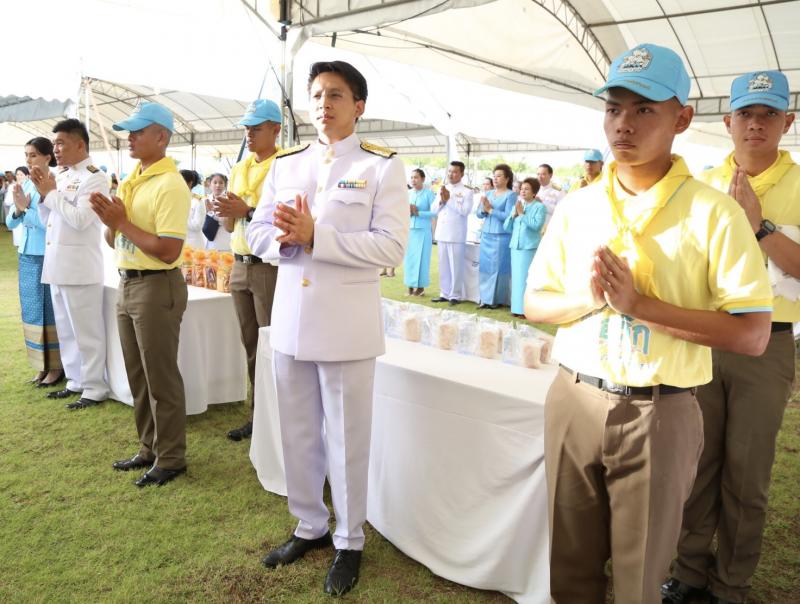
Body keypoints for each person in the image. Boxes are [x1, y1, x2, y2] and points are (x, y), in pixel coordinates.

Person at [524, 43, 773, 603]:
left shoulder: (714, 212)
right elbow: (535, 303)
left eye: (644, 109)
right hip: (573, 397)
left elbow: (753, 334)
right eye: (614, 108)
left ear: (682, 119)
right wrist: (591, 297)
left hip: (658, 412)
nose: (623, 124)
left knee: (639, 581)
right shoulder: (578, 205)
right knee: (569, 569)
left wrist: (639, 306)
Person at [246, 60, 407, 596]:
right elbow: (257, 231)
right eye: (316, 94)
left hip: (345, 327)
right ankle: (310, 524)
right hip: (292, 320)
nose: (323, 104)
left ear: (358, 106)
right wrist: (285, 240)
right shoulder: (287, 163)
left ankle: (350, 538)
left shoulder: (381, 167)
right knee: (297, 431)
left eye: (335, 94)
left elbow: (391, 247)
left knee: (346, 435)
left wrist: (317, 236)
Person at [663, 70, 800, 604]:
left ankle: (730, 583)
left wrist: (760, 225)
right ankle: (689, 571)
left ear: (788, 122)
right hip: (707, 338)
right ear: (727, 121)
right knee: (697, 463)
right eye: (746, 113)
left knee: (747, 474)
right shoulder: (701, 182)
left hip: (767, 345)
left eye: (769, 114)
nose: (756, 124)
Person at [89, 102, 191, 488]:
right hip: (128, 282)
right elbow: (114, 239)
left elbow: (168, 250)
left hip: (156, 285)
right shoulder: (135, 178)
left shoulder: (170, 184)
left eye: (138, 131)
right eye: (129, 132)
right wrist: (111, 223)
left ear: (161, 136)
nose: (129, 138)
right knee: (138, 374)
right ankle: (150, 447)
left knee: (160, 377)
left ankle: (172, 457)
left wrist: (121, 222)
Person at [214, 99, 282, 442]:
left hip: (268, 266)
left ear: (276, 130)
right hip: (239, 262)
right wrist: (227, 211)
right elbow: (229, 223)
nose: (249, 135)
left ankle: (276, 418)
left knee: (272, 344)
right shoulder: (239, 167)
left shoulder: (285, 165)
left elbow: (283, 216)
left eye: (256, 128)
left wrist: (247, 210)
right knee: (251, 344)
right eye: (246, 129)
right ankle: (258, 416)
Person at [30, 119, 110, 410]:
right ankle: (75, 380)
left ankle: (94, 388)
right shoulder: (62, 176)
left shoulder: (95, 178)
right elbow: (50, 221)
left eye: (61, 143)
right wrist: (43, 195)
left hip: (80, 268)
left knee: (87, 333)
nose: (56, 149)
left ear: (80, 144)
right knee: (66, 330)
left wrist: (51, 193)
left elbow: (80, 220)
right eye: (54, 144)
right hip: (58, 265)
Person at [5, 138, 62, 386]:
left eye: (34, 155)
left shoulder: (53, 184)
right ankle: (41, 364)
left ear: (48, 157)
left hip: (45, 255)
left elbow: (50, 224)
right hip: (26, 255)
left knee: (49, 311)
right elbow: (11, 222)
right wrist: (19, 210)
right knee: (32, 310)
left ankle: (57, 366)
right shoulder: (27, 183)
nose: (29, 160)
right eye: (26, 155)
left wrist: (25, 210)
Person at [431, 160, 473, 305]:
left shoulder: (467, 191)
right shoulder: (443, 188)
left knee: (456, 266)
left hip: (456, 233)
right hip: (442, 232)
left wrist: (448, 200)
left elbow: (465, 211)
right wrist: (441, 201)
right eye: (449, 171)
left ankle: (455, 295)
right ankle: (444, 293)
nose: (451, 174)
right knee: (443, 265)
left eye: (455, 172)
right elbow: (433, 210)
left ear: (461, 174)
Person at [476, 163, 516, 309]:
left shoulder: (511, 195)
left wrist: (491, 210)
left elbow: (508, 216)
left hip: (501, 235)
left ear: (507, 178)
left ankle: (497, 299)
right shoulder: (488, 194)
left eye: (499, 176)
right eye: (494, 176)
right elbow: (478, 213)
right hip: (486, 234)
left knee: (499, 268)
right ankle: (485, 298)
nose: (495, 179)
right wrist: (484, 209)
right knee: (485, 267)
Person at [503, 177, 545, 318]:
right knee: (516, 279)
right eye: (521, 189)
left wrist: (521, 215)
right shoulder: (518, 205)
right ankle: (516, 308)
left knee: (526, 279)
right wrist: (513, 215)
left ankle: (526, 309)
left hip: (529, 247)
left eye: (526, 189)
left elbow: (536, 226)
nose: (523, 191)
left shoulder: (539, 207)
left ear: (534, 192)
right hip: (515, 246)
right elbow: (506, 227)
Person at [403, 168, 435, 296]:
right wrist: (407, 211)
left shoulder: (429, 194)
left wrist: (418, 213)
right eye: (411, 177)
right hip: (410, 230)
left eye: (416, 177)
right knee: (409, 259)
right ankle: (410, 287)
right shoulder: (407, 193)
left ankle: (420, 288)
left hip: (423, 231)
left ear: (423, 179)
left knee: (422, 259)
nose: (413, 180)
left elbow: (435, 212)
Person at [202, 173, 231, 251]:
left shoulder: (228, 200)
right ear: (210, 184)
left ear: (225, 185)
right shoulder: (204, 200)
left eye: (221, 183)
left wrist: (211, 214)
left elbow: (228, 222)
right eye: (215, 182)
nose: (218, 185)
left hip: (223, 242)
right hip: (206, 242)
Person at [181, 169, 206, 249]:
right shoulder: (174, 200)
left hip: (193, 245)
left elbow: (197, 225)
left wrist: (178, 220)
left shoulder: (198, 201)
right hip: (178, 243)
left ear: (190, 183)